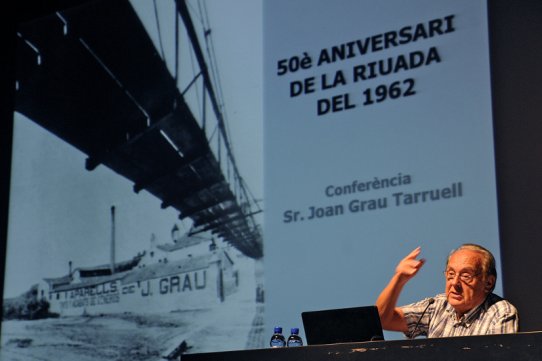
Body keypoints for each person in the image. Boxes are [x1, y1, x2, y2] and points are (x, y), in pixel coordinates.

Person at [376, 243, 519, 338]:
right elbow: (382, 319)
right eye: (450, 274)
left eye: (465, 276)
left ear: (488, 283)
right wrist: (399, 279)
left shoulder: (501, 313)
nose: (455, 283)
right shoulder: (437, 306)